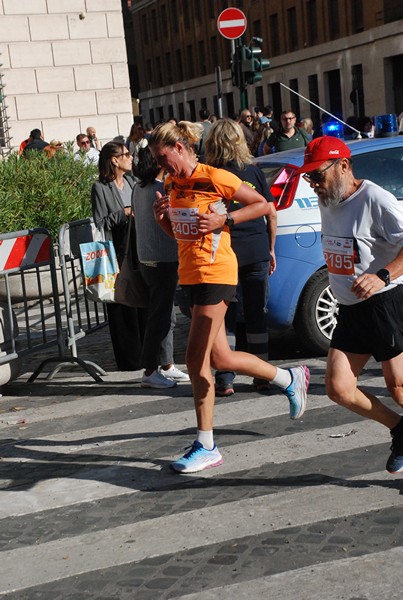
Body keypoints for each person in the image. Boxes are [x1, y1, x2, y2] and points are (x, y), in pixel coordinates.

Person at [149, 120, 310, 474]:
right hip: (191, 274)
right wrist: (162, 219)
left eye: (163, 158)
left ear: (180, 148)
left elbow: (263, 205)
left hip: (217, 273)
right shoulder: (173, 183)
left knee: (194, 360)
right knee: (221, 357)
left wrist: (226, 222)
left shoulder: (215, 176)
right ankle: (289, 378)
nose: (161, 166)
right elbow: (182, 234)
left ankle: (206, 444)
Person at [297, 136, 403, 474]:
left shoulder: (375, 198)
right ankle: (400, 430)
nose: (313, 184)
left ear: (344, 165)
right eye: (309, 177)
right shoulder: (329, 197)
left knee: (399, 387)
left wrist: (382, 276)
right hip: (350, 308)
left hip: (385, 302)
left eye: (318, 175)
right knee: (339, 388)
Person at [205, 118, 277, 396]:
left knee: (227, 314)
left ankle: (225, 378)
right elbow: (270, 212)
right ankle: (262, 375)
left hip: (225, 252)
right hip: (256, 248)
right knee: (257, 313)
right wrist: (271, 249)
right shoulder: (254, 172)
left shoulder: (210, 175)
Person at [133, 147, 189, 388]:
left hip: (148, 258)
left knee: (165, 314)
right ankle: (149, 369)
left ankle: (166, 364)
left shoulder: (139, 188)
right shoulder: (159, 190)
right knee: (160, 316)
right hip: (162, 259)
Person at [91, 141, 146, 371]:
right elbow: (100, 221)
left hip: (138, 248)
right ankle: (129, 360)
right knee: (121, 303)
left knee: (142, 300)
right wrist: (123, 213)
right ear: (114, 160)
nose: (130, 157)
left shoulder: (134, 181)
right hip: (116, 251)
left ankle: (147, 354)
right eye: (125, 154)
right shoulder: (100, 187)